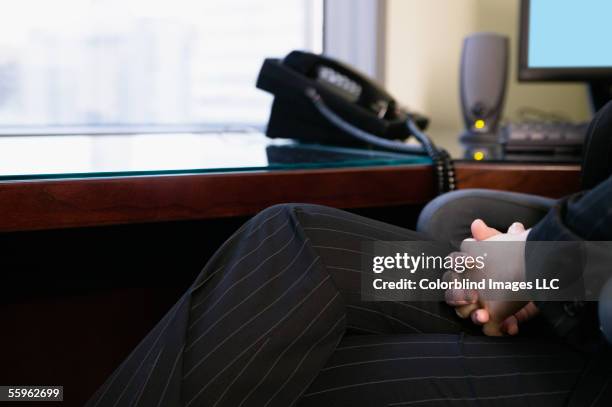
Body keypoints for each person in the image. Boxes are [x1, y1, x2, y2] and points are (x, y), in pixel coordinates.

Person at [86, 101, 612, 406]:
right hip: (581, 282)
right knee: (293, 240)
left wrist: (532, 265)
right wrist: (542, 273)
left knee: (286, 365)